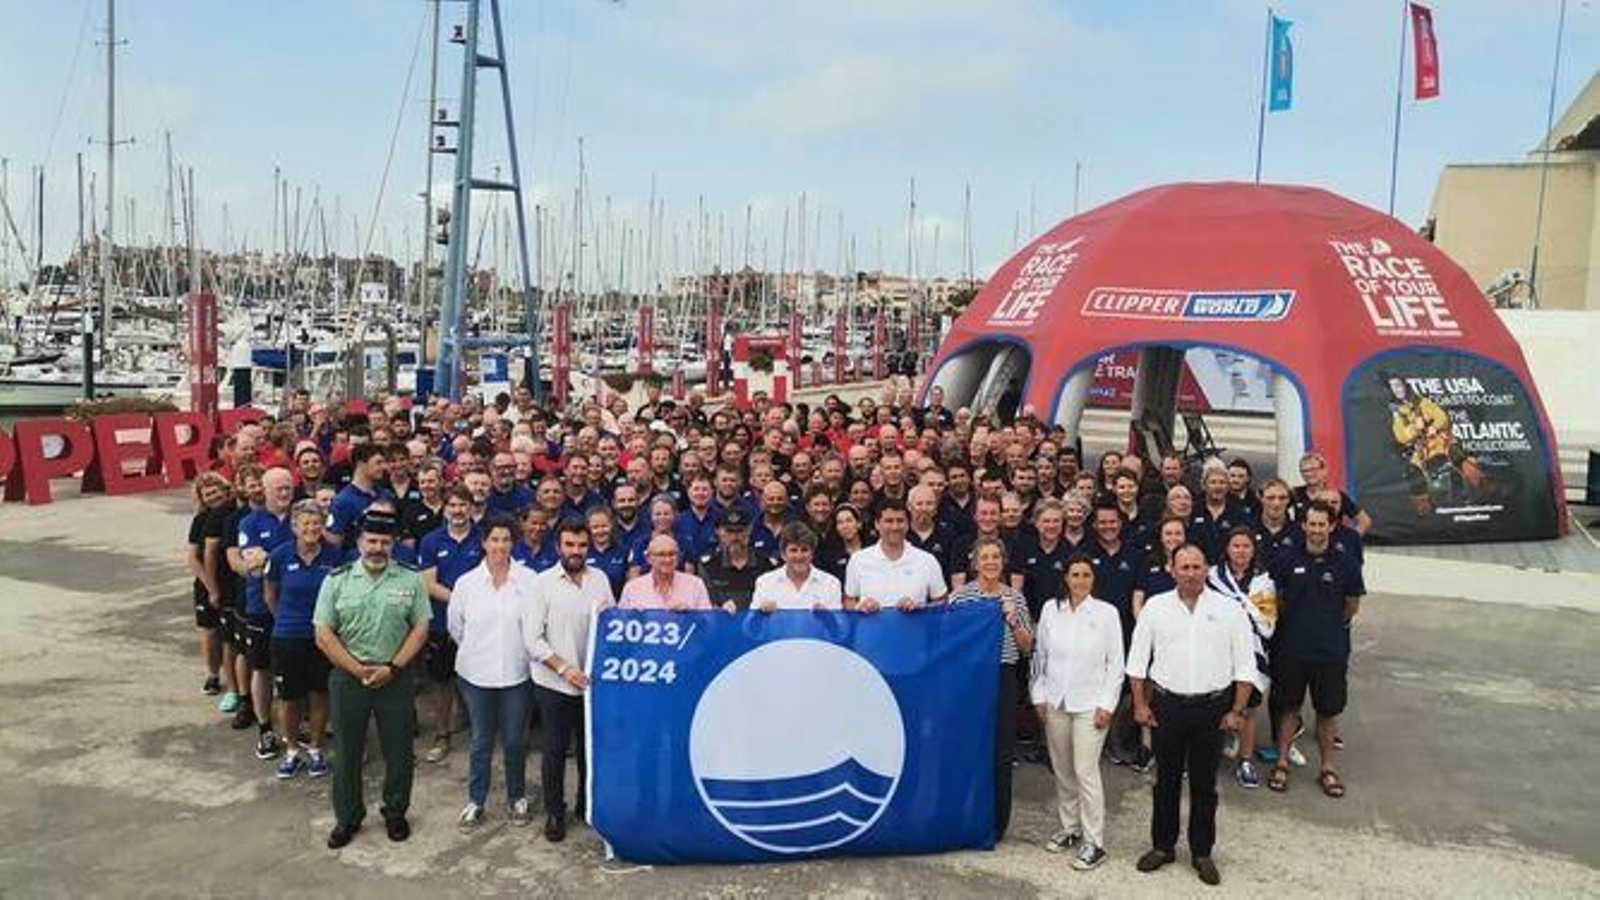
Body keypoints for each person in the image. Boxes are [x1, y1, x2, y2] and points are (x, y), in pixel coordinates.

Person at [1127, 545, 1256, 887]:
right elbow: (1138, 662)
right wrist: (1140, 705)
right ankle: (1163, 847)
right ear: (1172, 569)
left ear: (1207, 569)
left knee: (1204, 784)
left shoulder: (1229, 610)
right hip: (1167, 706)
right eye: (1184, 566)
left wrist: (1237, 710)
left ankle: (1202, 852)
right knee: (1165, 781)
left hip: (1213, 709)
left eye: (1197, 566)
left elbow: (1245, 665)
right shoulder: (1155, 608)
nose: (1190, 572)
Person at [313, 509, 432, 849]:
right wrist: (356, 668)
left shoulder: (410, 579)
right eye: (371, 541)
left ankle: (395, 812)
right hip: (349, 677)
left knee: (399, 751)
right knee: (348, 751)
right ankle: (347, 817)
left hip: (395, 676)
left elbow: (420, 628)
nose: (377, 548)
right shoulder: (337, 579)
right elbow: (323, 633)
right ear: (359, 542)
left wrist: (392, 668)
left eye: (384, 542)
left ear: (393, 544)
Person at [525, 519, 618, 840]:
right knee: (554, 750)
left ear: (588, 547)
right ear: (558, 547)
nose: (576, 551)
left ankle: (585, 804)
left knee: (589, 749)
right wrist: (565, 669)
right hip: (555, 683)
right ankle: (554, 812)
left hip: (592, 684)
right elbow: (533, 640)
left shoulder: (601, 579)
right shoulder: (541, 584)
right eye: (569, 545)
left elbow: (611, 626)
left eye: (581, 545)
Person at [1266, 501, 1365, 798]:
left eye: (1323, 524)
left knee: (1327, 712)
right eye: (1312, 523)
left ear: (1332, 526)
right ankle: (1282, 762)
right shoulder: (1285, 559)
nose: (1317, 529)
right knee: (1288, 708)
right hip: (1291, 650)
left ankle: (1328, 768)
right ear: (1304, 525)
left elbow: (1351, 606)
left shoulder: (1345, 563)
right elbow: (1277, 601)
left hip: (1329, 653)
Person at [1030, 555, 1123, 870]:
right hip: (1056, 701)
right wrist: (1038, 696)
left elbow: (1116, 665)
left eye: (1086, 575)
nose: (1081, 580)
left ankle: (1094, 842)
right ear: (1066, 578)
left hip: (1090, 705)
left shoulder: (1107, 613)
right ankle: (1070, 828)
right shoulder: (1049, 610)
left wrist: (1107, 705)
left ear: (1093, 579)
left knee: (1086, 771)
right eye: (1075, 574)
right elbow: (1039, 657)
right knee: (1063, 768)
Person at [448, 516, 538, 831]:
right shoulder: (466, 584)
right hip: (476, 674)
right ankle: (476, 800)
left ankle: (517, 797)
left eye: (506, 539)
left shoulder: (529, 580)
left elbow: (536, 625)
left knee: (515, 740)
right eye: (494, 539)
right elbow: (456, 627)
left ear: (514, 543)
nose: (500, 546)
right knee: (480, 740)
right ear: (483, 542)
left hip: (518, 673)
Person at [947, 536, 1034, 841]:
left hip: (1003, 677)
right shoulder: (960, 599)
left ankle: (997, 822)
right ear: (974, 562)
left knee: (1000, 752)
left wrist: (1012, 619)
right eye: (984, 557)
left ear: (1003, 561)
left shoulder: (1015, 598)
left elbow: (1027, 647)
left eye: (996, 557)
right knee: (967, 746)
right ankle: (963, 813)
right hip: (969, 679)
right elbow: (949, 643)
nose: (990, 562)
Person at [264, 499, 345, 780]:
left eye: (316, 523)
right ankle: (291, 750)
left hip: (323, 637)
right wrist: (284, 621)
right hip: (287, 637)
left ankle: (315, 748)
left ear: (323, 526)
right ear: (294, 527)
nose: (311, 528)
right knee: (289, 697)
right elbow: (270, 594)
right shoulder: (279, 555)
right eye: (305, 524)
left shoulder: (335, 556)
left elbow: (341, 596)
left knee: (319, 693)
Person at [231, 467, 297, 760]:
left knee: (294, 672)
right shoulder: (250, 522)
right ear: (265, 491)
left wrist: (270, 555)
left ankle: (294, 727)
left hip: (296, 607)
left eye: (288, 488)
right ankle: (265, 728)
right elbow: (254, 565)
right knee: (262, 669)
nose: (284, 493)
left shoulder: (302, 515)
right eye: (278, 489)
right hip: (260, 606)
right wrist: (288, 554)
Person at [1205, 527, 1278, 789]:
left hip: (1250, 649)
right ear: (1227, 548)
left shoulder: (1264, 581)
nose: (1241, 551)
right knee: (1214, 703)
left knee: (1248, 707)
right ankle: (1209, 756)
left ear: (1253, 550)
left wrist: (1239, 607)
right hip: (1217, 648)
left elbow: (1267, 623)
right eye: (1236, 546)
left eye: (1246, 546)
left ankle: (1246, 760)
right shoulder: (1212, 577)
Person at [417, 486, 484, 764]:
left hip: (478, 622)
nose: (458, 510)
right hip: (441, 622)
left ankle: (482, 735)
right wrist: (460, 600)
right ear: (445, 509)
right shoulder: (432, 541)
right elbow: (427, 583)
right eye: (452, 505)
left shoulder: (483, 538)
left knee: (477, 679)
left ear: (471, 508)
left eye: (463, 505)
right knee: (441, 681)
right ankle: (442, 735)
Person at [843, 499, 948, 613]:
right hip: (871, 630)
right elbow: (849, 600)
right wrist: (861, 607)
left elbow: (942, 602)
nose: (895, 527)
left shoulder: (927, 560)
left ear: (908, 524)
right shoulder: (858, 560)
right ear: (877, 524)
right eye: (889, 521)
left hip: (913, 630)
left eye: (900, 521)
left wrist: (919, 608)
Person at [187, 472, 234, 698]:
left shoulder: (233, 513)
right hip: (207, 583)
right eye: (207, 495)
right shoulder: (200, 520)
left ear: (225, 490)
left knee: (227, 635)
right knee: (210, 632)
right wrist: (211, 588)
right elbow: (193, 559)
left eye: (216, 492)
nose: (213, 497)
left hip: (230, 581)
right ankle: (213, 675)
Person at [699, 507, 777, 612]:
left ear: (749, 530)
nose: (735, 537)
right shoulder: (708, 566)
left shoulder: (766, 565)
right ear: (719, 532)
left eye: (740, 531)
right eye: (729, 531)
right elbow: (706, 604)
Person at [751, 522, 843, 611]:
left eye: (804, 550)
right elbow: (751, 624)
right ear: (783, 555)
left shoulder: (831, 584)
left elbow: (838, 625)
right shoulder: (764, 583)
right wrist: (761, 613)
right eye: (793, 550)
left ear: (812, 554)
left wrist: (827, 617)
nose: (799, 556)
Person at [619, 535, 713, 611]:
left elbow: (707, 622)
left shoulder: (696, 585)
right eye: (661, 554)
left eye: (672, 554)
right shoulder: (632, 588)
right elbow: (621, 622)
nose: (667, 560)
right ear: (648, 559)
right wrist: (634, 617)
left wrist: (690, 615)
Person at [816, 504, 868, 583]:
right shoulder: (829, 555)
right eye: (840, 522)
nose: (845, 526)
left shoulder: (872, 548)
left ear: (859, 524)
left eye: (849, 520)